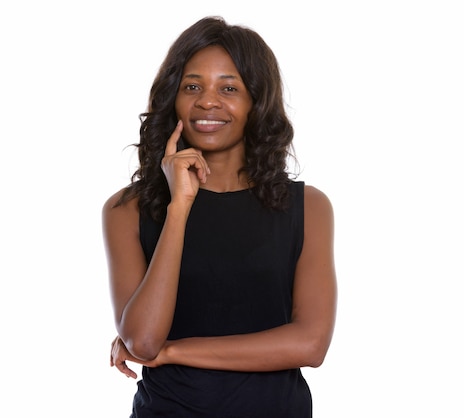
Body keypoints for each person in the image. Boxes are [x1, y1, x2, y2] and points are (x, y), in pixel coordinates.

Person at [102, 16, 337, 417]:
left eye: (229, 88)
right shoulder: (128, 209)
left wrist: (174, 350)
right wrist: (179, 207)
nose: (207, 101)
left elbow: (310, 345)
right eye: (192, 86)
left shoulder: (308, 207)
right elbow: (142, 341)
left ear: (255, 103)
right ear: (172, 98)